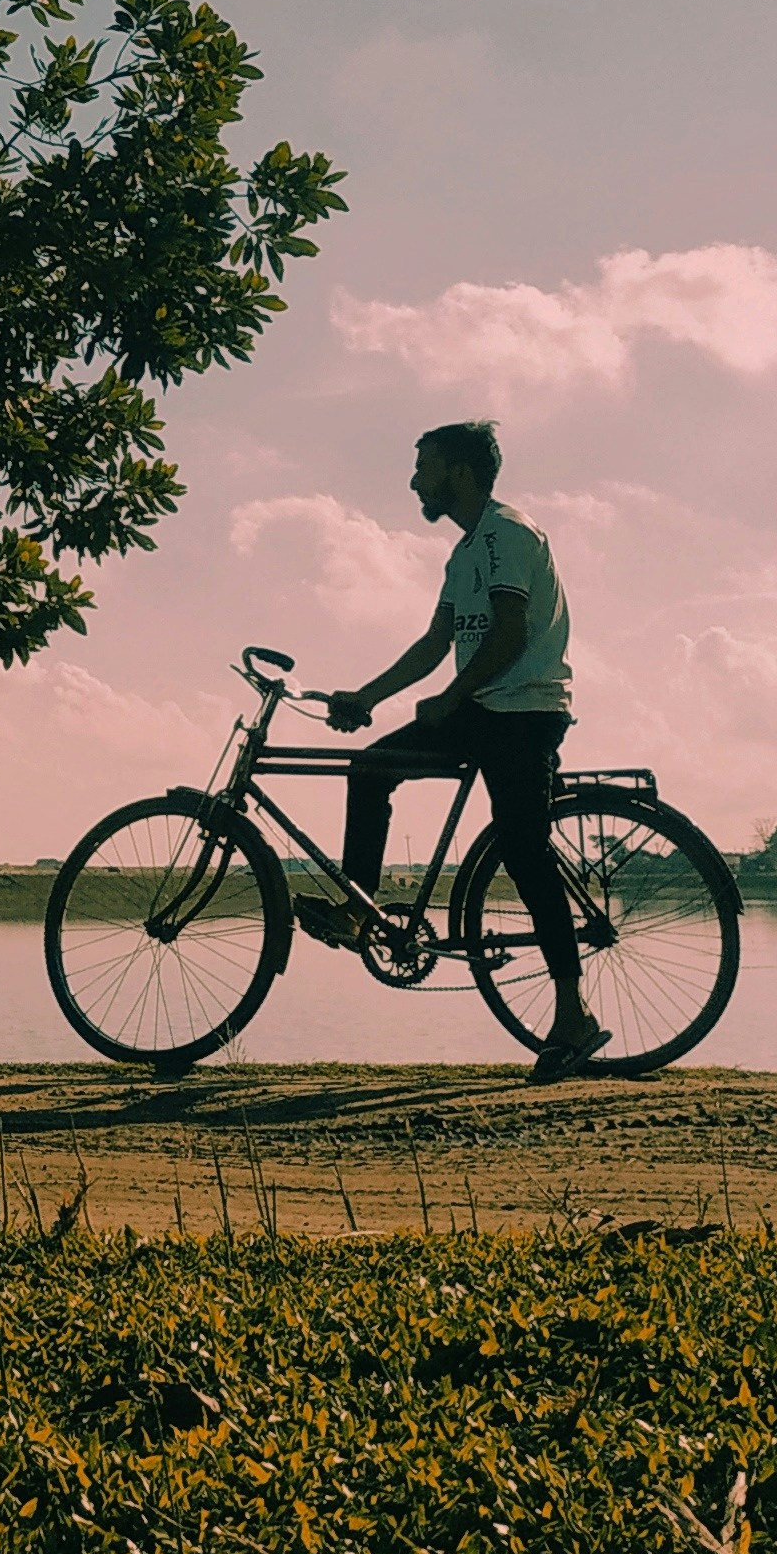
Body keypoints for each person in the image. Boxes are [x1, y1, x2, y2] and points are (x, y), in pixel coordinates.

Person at [298, 420, 607, 1082]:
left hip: (523, 712)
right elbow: (438, 642)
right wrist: (368, 696)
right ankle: (361, 913)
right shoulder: (464, 552)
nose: (414, 481)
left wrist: (451, 696)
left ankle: (573, 1014)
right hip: (478, 709)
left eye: (425, 468)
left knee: (524, 852)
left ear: (460, 473)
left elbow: (511, 632)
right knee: (371, 767)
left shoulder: (507, 534)